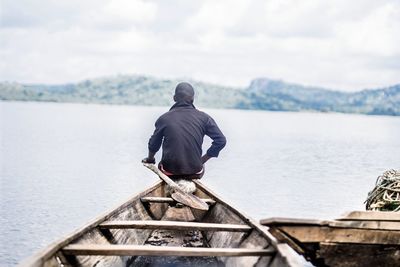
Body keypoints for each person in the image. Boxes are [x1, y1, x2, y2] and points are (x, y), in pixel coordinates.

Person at [142, 82, 226, 189]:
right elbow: (221, 140)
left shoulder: (164, 119)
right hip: (195, 171)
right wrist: (202, 160)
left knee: (162, 165)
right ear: (193, 99)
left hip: (169, 171)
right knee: (199, 166)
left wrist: (150, 159)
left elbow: (154, 144)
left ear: (174, 98)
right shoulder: (204, 118)